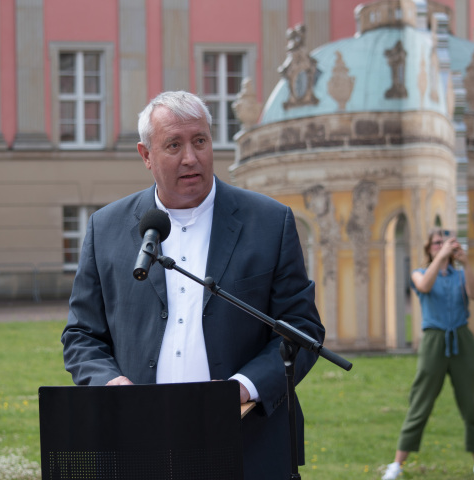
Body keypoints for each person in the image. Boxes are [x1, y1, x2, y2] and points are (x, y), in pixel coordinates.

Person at [62, 91, 325, 479]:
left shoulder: (269, 222)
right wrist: (109, 382)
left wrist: (242, 388)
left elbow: (301, 329)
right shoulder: (106, 228)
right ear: (146, 155)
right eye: (173, 145)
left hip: (246, 444)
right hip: (140, 445)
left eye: (199, 141)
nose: (191, 157)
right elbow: (82, 334)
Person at [381, 229, 474, 480]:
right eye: (436, 243)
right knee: (420, 402)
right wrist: (441, 257)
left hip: (461, 340)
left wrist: (465, 263)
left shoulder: (459, 275)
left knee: (471, 403)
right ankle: (397, 465)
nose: (441, 246)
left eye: (445, 243)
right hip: (434, 340)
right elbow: (424, 286)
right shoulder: (419, 272)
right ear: (429, 248)